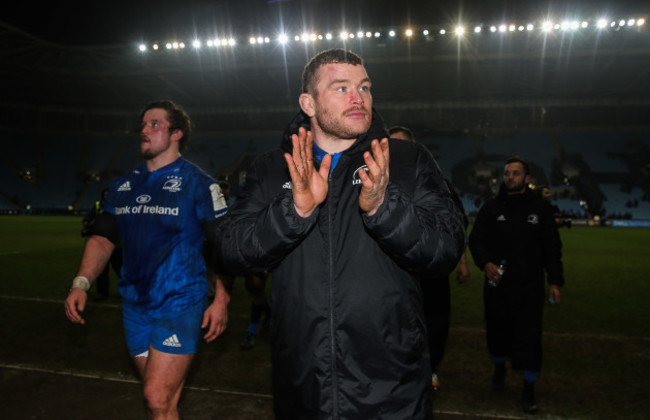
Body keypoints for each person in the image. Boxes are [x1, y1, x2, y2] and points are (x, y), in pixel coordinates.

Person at [218, 49, 466, 419]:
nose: (358, 97)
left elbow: (445, 249)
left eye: (364, 87)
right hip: (303, 387)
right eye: (342, 87)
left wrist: (385, 207)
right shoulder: (273, 169)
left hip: (392, 389)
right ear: (309, 103)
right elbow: (230, 251)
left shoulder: (406, 161)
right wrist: (295, 211)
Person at [64, 100, 230, 420]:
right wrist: (81, 283)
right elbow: (102, 239)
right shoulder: (124, 186)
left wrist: (221, 297)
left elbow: (224, 244)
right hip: (135, 306)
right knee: (164, 402)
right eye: (142, 124)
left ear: (177, 133)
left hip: (180, 302)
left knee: (155, 397)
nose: (144, 129)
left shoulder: (198, 184)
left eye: (154, 124)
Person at [468, 156, 564, 414]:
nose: (510, 177)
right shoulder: (491, 208)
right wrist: (485, 263)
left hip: (529, 288)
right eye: (508, 173)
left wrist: (555, 280)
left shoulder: (541, 209)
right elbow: (476, 241)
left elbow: (552, 249)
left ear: (527, 178)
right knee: (497, 334)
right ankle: (499, 367)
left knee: (530, 339)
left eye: (516, 173)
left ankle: (528, 389)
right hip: (497, 287)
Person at [388, 125, 471, 391]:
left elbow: (455, 227)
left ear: (414, 149)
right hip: (393, 275)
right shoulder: (373, 183)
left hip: (431, 273)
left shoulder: (437, 183)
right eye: (391, 145)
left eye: (402, 145)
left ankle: (430, 371)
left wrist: (463, 261)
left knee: (434, 324)